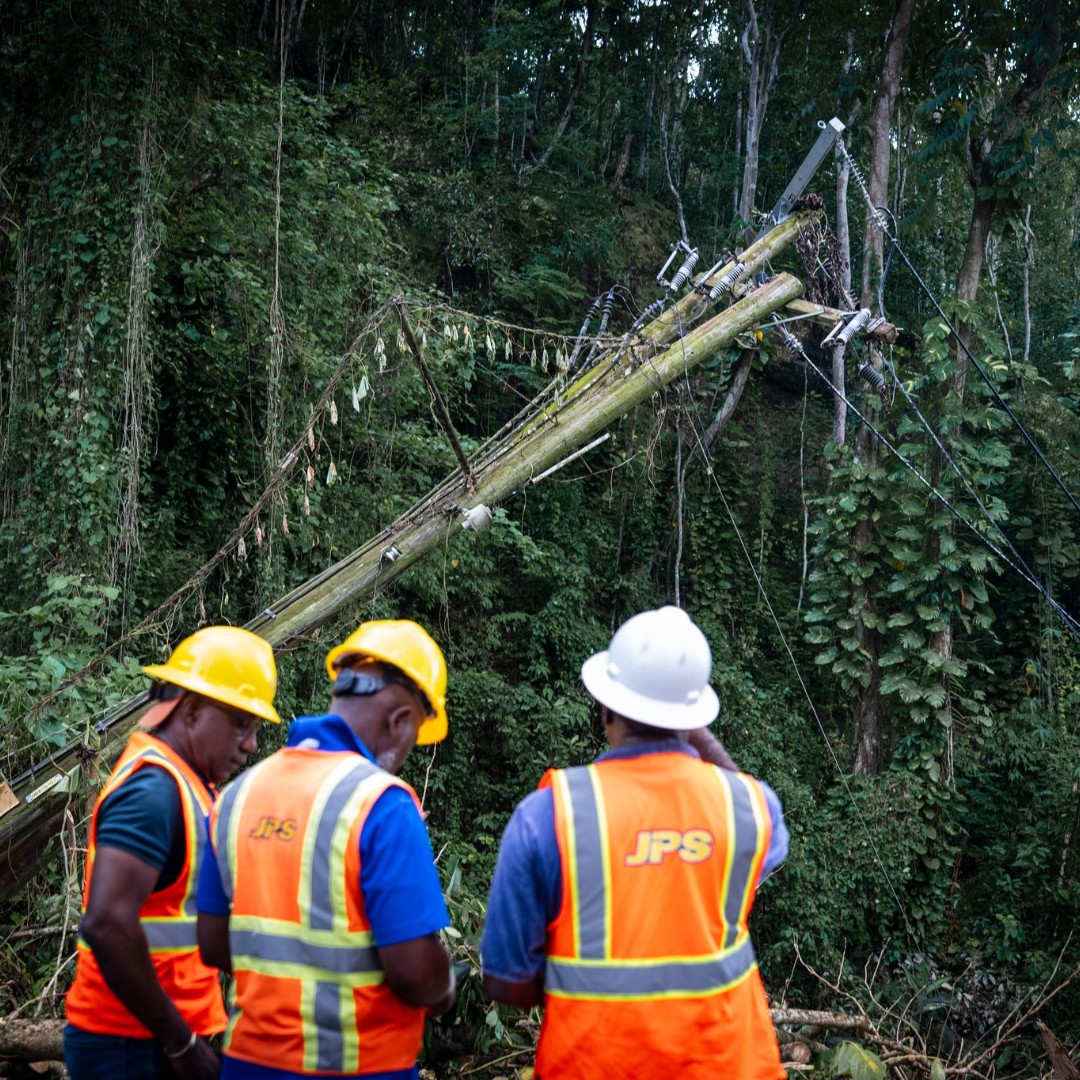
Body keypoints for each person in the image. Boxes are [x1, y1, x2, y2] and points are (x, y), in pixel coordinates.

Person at [481, 605, 789, 1080]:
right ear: (693, 716)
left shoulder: (548, 815)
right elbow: (768, 837)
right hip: (729, 1065)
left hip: (595, 1065)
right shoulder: (750, 807)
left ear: (606, 706)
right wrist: (690, 727)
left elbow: (504, 980)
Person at [196, 618, 457, 1080]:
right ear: (399, 723)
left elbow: (213, 944)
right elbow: (416, 973)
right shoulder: (381, 804)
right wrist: (445, 985)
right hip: (361, 1068)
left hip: (247, 1065)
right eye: (414, 737)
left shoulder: (237, 795)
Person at [65, 625, 281, 1080]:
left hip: (153, 1038)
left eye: (256, 727)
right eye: (241, 723)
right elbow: (106, 924)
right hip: (131, 1046)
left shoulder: (187, 786)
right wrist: (181, 1042)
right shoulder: (154, 792)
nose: (251, 745)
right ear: (191, 710)